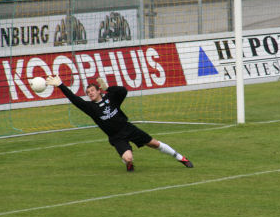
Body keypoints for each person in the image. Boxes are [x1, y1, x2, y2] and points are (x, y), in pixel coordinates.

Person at [46, 74, 194, 172]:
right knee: (128, 158)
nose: (90, 93)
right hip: (116, 137)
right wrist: (60, 85)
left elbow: (123, 91)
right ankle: (128, 163)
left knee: (154, 144)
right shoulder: (90, 108)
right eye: (88, 92)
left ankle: (182, 158)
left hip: (128, 128)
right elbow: (74, 99)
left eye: (92, 90)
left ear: (99, 91)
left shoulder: (111, 97)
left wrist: (107, 88)